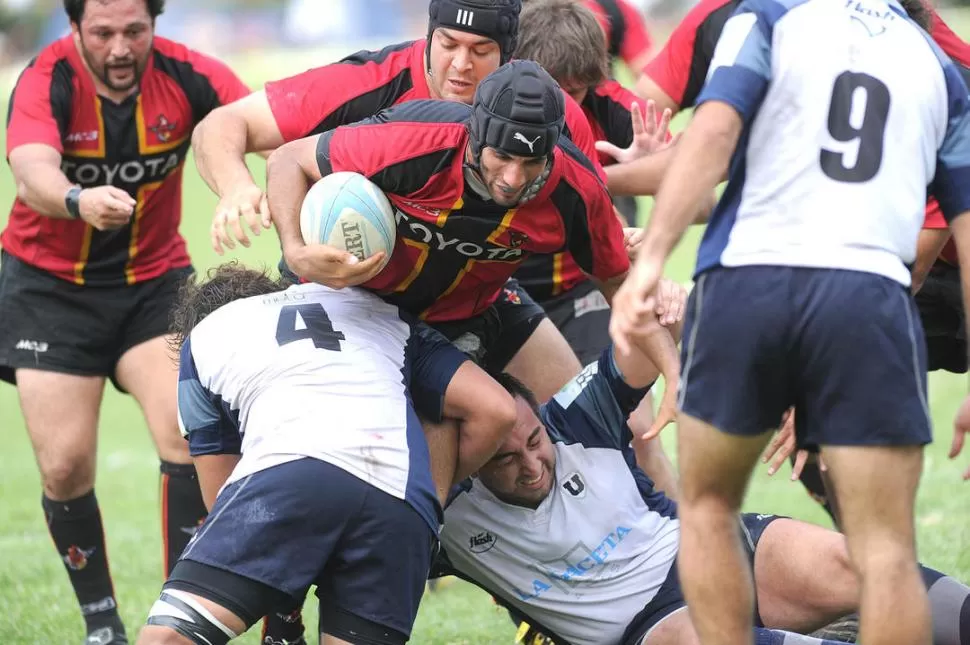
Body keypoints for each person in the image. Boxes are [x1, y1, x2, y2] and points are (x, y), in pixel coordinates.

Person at [609, 2, 970, 645]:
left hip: (747, 285)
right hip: (868, 299)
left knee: (708, 509)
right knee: (885, 549)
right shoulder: (938, 64)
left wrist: (653, 257)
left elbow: (713, 135)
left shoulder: (767, 19)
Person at [433, 305, 970, 645]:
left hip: (704, 548)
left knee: (866, 567)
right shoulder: (443, 512)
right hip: (653, 626)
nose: (532, 465)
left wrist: (664, 297)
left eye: (534, 441)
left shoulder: (575, 416)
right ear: (473, 457)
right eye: (505, 459)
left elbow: (647, 338)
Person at [191, 0, 614, 407]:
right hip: (349, 293)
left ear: (508, 53)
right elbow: (226, 123)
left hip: (473, 295)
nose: (462, 65)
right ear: (429, 37)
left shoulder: (543, 117)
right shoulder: (374, 81)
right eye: (449, 44)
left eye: (481, 50)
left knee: (580, 417)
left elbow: (587, 203)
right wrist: (236, 187)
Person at [1, 0, 250, 642]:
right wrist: (77, 200)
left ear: (155, 26)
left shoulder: (188, 74)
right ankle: (101, 622)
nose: (119, 48)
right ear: (76, 26)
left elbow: (263, 118)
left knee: (185, 432)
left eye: (134, 31)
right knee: (64, 465)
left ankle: (180, 614)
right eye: (103, 32)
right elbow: (31, 174)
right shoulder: (47, 79)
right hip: (50, 291)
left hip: (153, 284)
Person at [265, 59, 680, 420]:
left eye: (532, 161)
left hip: (467, 310)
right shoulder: (414, 141)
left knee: (554, 422)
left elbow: (618, 285)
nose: (514, 178)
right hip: (355, 299)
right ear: (476, 136)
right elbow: (288, 159)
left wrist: (674, 375)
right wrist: (296, 251)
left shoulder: (576, 190)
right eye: (502, 156)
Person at [135, 264, 517, 645]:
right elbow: (494, 411)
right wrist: (423, 503)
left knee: (167, 638)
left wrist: (295, 556)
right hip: (402, 502)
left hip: (292, 473)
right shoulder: (380, 313)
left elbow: (219, 495)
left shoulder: (204, 337)